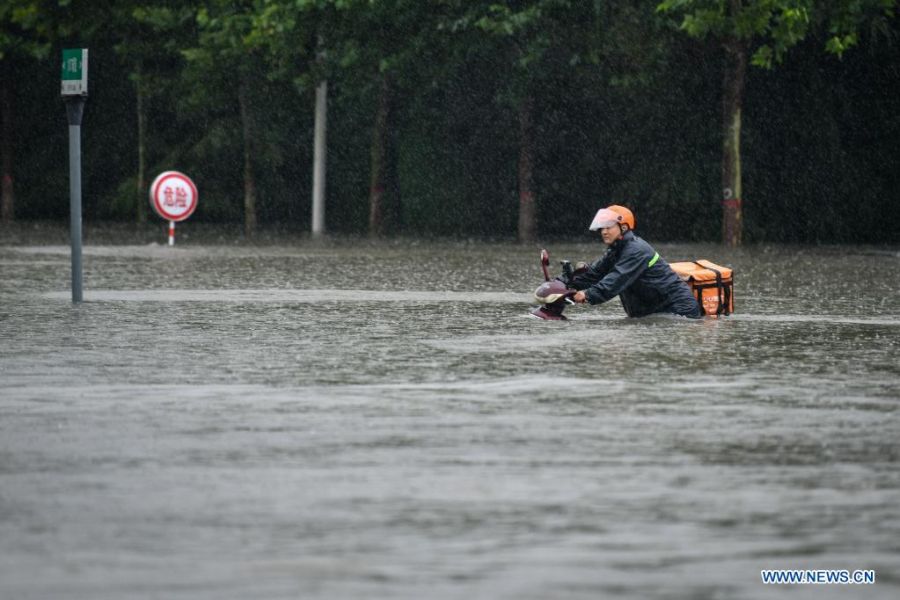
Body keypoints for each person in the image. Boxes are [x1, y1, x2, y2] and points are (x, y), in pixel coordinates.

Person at [568, 205, 702, 318]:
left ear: (624, 227)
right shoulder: (616, 250)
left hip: (679, 311)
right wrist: (564, 283)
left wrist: (586, 295)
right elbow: (594, 273)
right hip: (653, 311)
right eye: (602, 228)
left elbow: (616, 280)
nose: (604, 232)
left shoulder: (636, 250)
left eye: (608, 227)